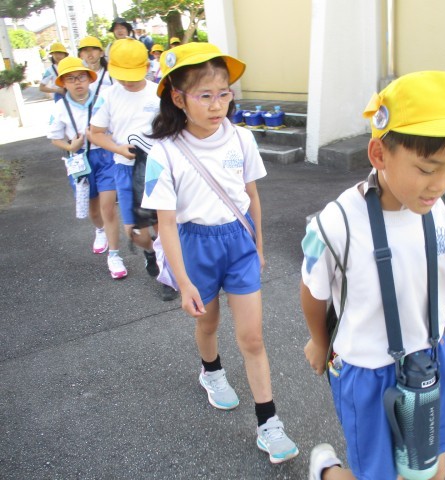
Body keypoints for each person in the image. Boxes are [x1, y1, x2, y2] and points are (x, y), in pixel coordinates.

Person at [300, 71, 445, 480]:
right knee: (379, 475)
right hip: (366, 370)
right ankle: (326, 470)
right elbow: (312, 290)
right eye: (428, 169)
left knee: (431, 470)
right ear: (379, 154)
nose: (441, 184)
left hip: (431, 358)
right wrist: (319, 341)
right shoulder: (336, 223)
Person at [140, 42, 299, 464]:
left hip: (239, 242)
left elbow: (252, 196)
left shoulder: (241, 138)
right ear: (179, 98)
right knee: (207, 323)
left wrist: (258, 247)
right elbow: (166, 223)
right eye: (205, 95)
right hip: (194, 245)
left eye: (224, 93)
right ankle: (211, 371)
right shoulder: (164, 152)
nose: (217, 105)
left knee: (253, 337)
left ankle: (268, 423)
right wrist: (183, 281)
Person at [89, 39, 174, 299]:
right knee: (135, 232)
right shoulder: (109, 96)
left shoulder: (159, 93)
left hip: (156, 169)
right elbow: (95, 133)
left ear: (146, 67)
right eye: (122, 75)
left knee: (163, 226)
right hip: (125, 169)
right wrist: (117, 148)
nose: (127, 81)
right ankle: (150, 252)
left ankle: (168, 276)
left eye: (132, 75)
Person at [46, 57, 121, 276]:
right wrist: (71, 146)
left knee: (108, 206)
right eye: (70, 79)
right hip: (79, 160)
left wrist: (106, 138)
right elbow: (55, 138)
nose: (77, 82)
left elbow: (115, 128)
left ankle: (115, 255)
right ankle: (100, 230)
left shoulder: (102, 101)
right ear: (63, 83)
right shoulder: (60, 108)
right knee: (93, 209)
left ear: (89, 79)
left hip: (105, 156)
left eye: (81, 77)